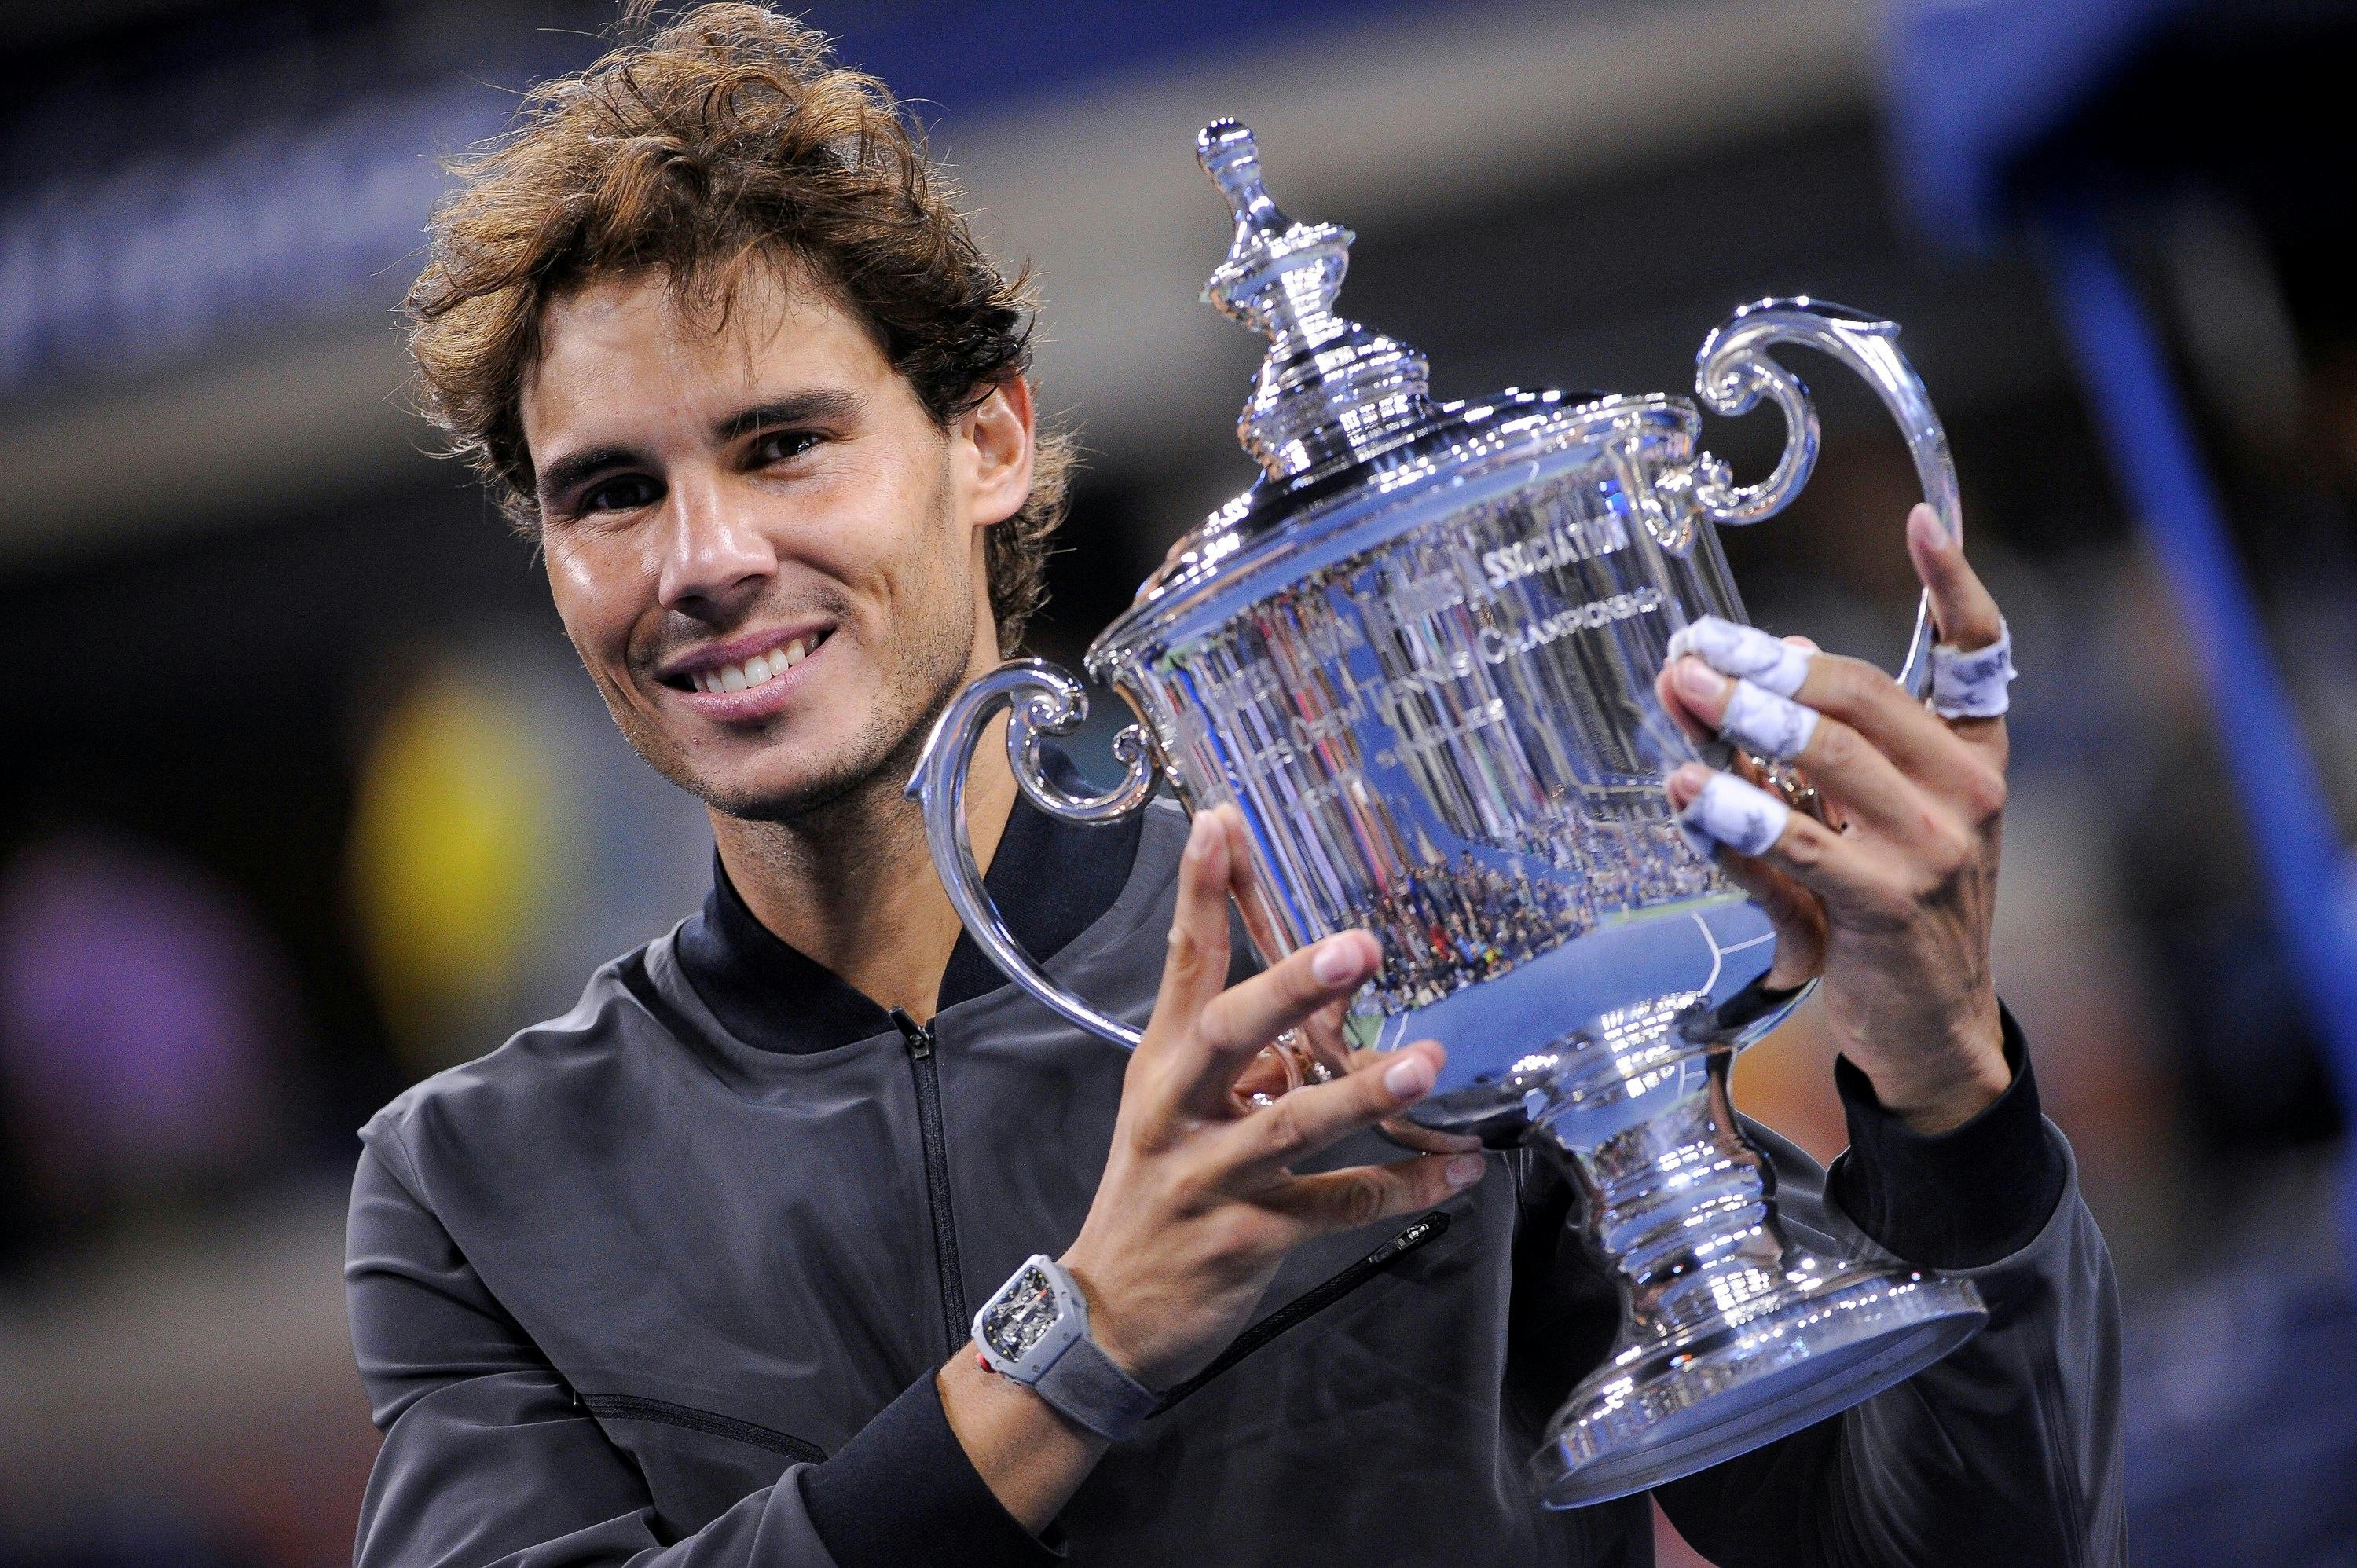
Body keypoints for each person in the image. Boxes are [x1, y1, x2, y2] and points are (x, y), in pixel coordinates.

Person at [345, 6, 2124, 1564]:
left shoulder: (1395, 947)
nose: (707, 555)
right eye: (610, 494)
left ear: (988, 442)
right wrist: (1082, 1336)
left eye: (783, 442)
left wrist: (1953, 1090)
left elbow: (1953, 1538)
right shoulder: (471, 1185)